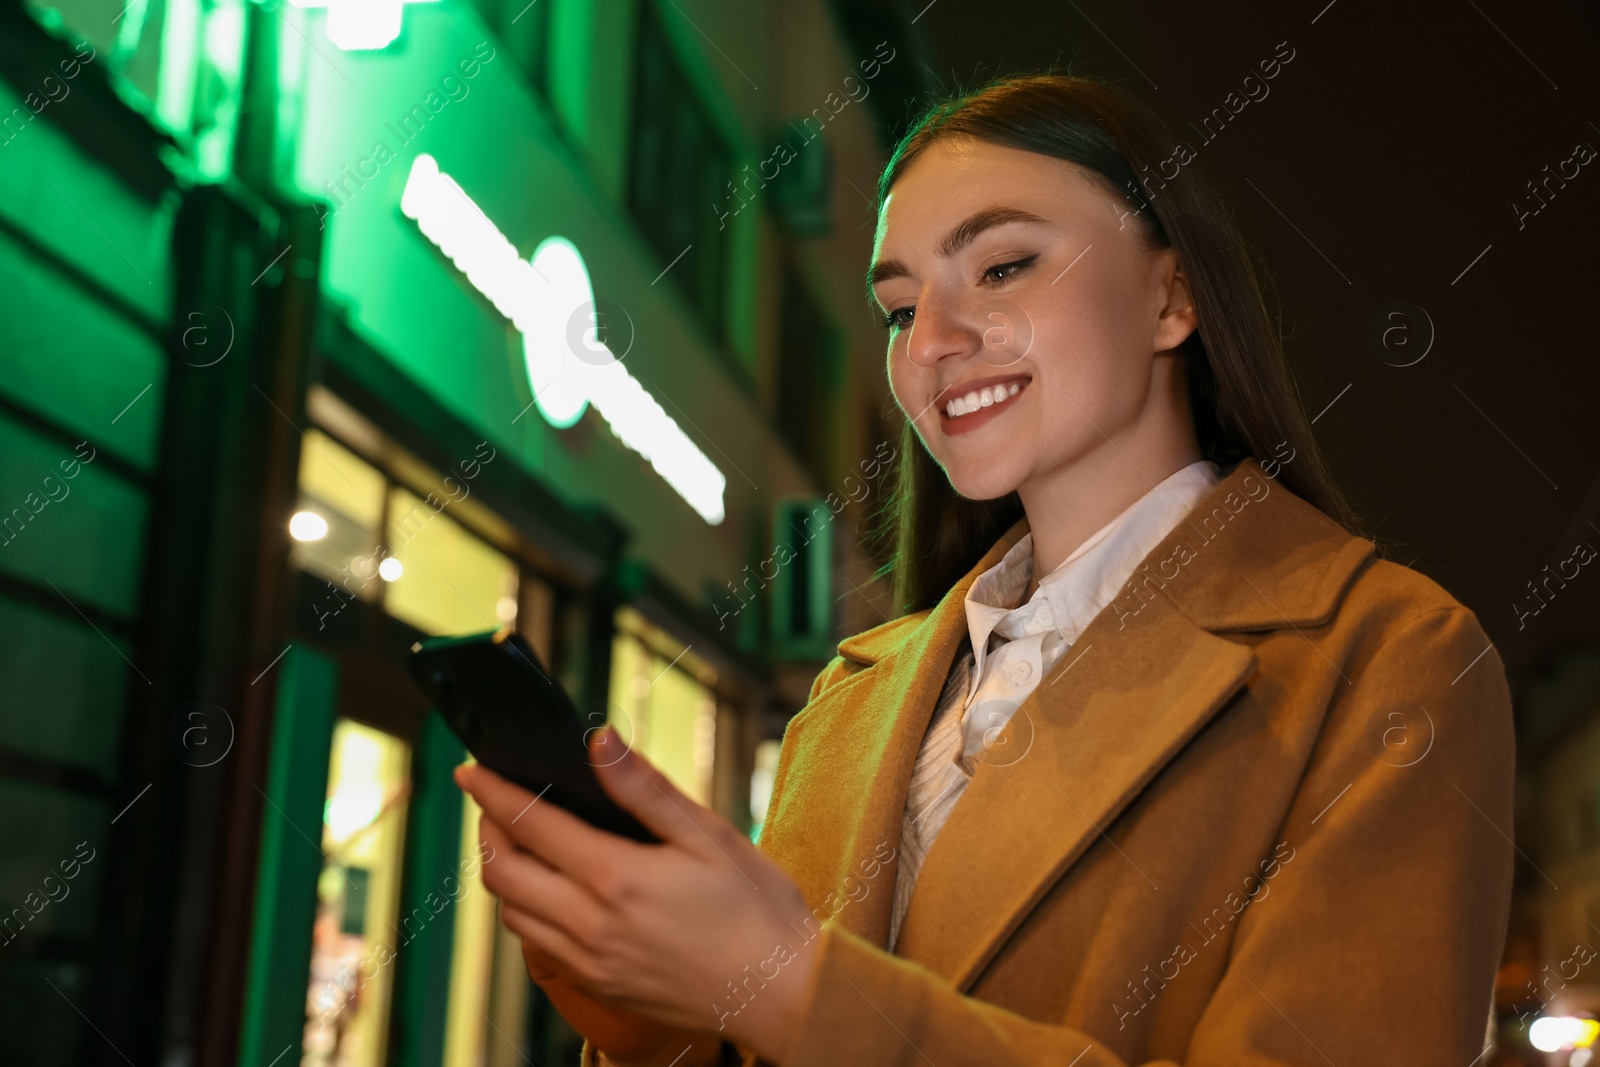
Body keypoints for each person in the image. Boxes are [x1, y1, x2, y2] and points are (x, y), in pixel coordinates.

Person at [454, 74, 1515, 1066]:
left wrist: (791, 987)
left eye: (1002, 266)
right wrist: (652, 1016)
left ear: (1171, 296)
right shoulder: (853, 696)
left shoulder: (1388, 658)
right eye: (900, 307)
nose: (930, 345)